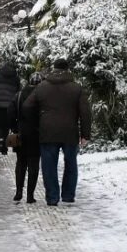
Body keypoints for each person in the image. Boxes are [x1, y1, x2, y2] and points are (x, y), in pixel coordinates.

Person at [24, 58, 92, 206]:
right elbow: (85, 112)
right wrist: (85, 134)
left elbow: (27, 106)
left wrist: (37, 123)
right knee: (70, 163)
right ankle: (68, 195)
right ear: (68, 70)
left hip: (47, 131)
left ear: (53, 69)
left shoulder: (42, 87)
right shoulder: (76, 88)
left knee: (49, 165)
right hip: (70, 131)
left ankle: (52, 197)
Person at [8, 72, 43, 203]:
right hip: (37, 135)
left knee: (21, 163)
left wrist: (14, 128)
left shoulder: (19, 95)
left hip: (20, 133)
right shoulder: (42, 97)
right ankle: (30, 195)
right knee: (34, 165)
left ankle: (18, 191)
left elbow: (10, 113)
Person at [0, 61, 21, 155]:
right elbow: (19, 94)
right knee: (6, 127)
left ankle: (0, 139)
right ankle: (4, 146)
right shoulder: (16, 78)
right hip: (10, 107)